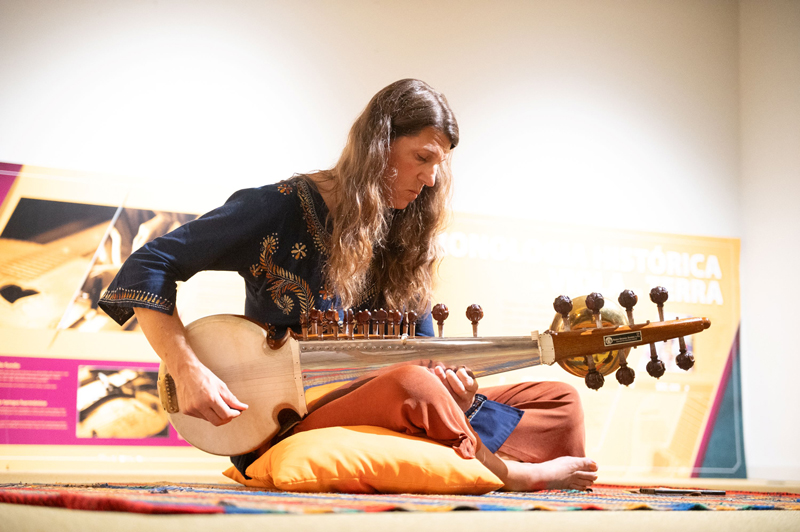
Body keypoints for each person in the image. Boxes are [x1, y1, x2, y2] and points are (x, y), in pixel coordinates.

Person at [98, 79, 598, 491]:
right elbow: (149, 263)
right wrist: (186, 369)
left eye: (437, 166)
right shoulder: (280, 207)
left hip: (390, 405)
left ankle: (458, 450)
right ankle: (509, 474)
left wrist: (458, 395)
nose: (428, 179)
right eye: (421, 158)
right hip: (282, 421)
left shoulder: (404, 230)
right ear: (380, 144)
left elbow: (424, 354)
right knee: (413, 385)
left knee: (559, 400)